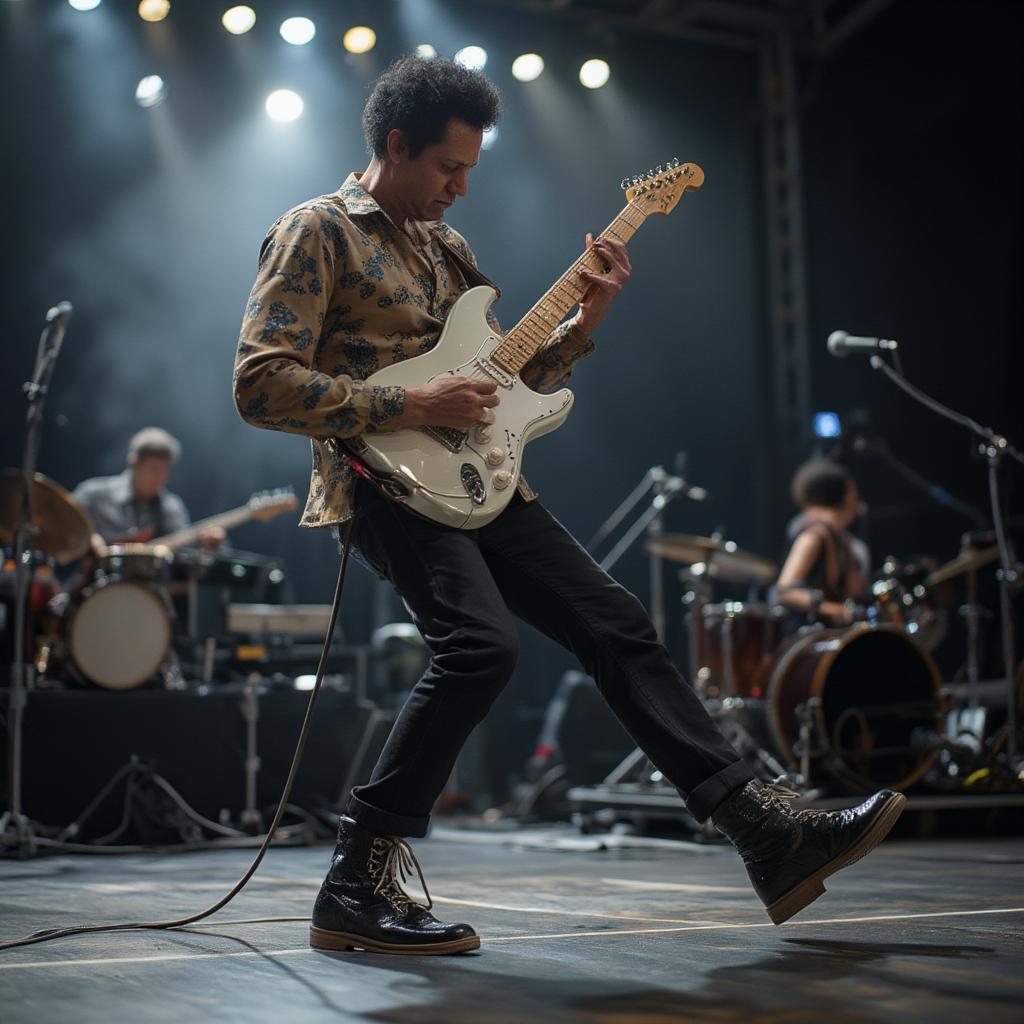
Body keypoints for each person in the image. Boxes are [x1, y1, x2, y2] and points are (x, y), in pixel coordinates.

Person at [234, 56, 904, 956]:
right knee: (478, 648)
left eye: (471, 169)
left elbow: (505, 380)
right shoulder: (317, 231)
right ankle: (354, 880)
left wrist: (586, 322)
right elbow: (260, 384)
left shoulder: (446, 252)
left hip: (483, 474)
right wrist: (410, 405)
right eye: (447, 168)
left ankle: (764, 834)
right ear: (395, 146)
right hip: (380, 478)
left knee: (616, 620)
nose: (461, 188)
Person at [72, 427, 225, 557]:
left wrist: (208, 545)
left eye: (165, 471)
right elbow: (61, 524)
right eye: (154, 470)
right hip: (90, 584)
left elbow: (185, 557)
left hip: (148, 589)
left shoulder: (171, 508)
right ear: (134, 463)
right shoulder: (94, 493)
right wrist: (88, 538)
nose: (161, 479)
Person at [775, 459, 870, 626]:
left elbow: (853, 594)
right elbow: (784, 592)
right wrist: (832, 609)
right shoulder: (813, 537)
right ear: (845, 494)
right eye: (853, 491)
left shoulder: (843, 541)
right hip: (807, 635)